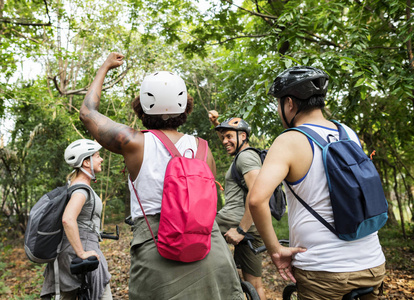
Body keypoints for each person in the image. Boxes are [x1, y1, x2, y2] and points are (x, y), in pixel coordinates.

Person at [79, 52, 244, 300]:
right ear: (185, 106)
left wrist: (105, 66)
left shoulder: (134, 142)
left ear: (142, 106)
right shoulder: (203, 148)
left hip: (158, 251)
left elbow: (87, 112)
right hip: (210, 249)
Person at [249, 66, 386, 299]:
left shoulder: (289, 140)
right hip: (373, 265)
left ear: (289, 103)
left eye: (279, 104)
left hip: (323, 272)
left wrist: (276, 251)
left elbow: (256, 200)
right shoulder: (348, 134)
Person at [41, 139, 112, 300]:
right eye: (98, 156)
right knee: (103, 295)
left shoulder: (73, 185)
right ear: (86, 162)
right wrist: (81, 252)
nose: (101, 159)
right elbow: (68, 219)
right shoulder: (81, 190)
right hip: (79, 251)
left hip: (68, 251)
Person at [208, 112, 266, 300]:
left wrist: (241, 230)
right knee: (255, 285)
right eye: (223, 137)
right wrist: (216, 124)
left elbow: (256, 193)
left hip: (234, 221)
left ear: (243, 136)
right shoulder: (244, 154)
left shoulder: (245, 158)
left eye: (229, 136)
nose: (225, 141)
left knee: (192, 234)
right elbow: (230, 139)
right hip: (254, 226)